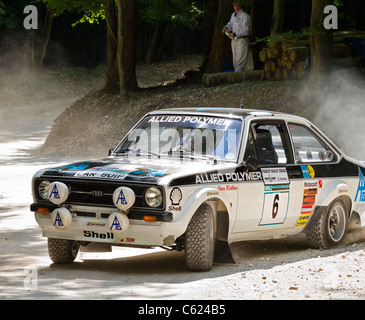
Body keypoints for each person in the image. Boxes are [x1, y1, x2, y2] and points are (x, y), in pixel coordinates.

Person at [222, 0, 251, 72]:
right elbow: (231, 24)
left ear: (241, 5)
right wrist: (226, 27)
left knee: (240, 62)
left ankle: (238, 79)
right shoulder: (233, 15)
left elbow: (246, 30)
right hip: (234, 40)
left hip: (242, 40)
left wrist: (235, 33)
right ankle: (237, 78)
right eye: (235, 5)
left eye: (238, 5)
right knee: (235, 62)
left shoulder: (245, 16)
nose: (236, 7)